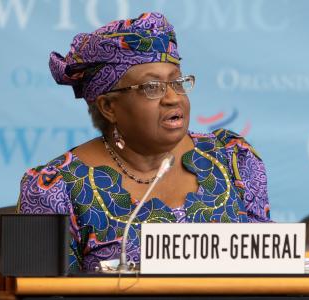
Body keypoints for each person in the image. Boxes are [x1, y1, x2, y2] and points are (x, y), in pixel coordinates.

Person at [17, 12, 270, 272]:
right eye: (152, 87)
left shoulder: (232, 158)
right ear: (108, 107)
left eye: (178, 82)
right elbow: (36, 290)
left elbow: (267, 271)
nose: (173, 98)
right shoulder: (53, 188)